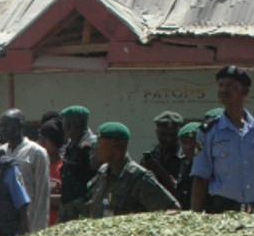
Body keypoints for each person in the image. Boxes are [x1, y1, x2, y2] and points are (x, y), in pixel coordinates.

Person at [191, 65, 254, 213]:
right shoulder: (208, 131)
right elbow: (201, 176)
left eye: (231, 86)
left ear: (244, 92)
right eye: (221, 86)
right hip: (223, 210)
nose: (224, 90)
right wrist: (195, 216)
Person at [85, 122, 180, 217]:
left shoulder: (137, 177)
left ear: (116, 146)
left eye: (99, 143)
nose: (96, 148)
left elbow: (172, 209)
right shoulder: (103, 172)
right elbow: (92, 204)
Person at [0, 109, 50, 234]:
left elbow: (42, 193)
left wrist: (38, 231)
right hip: (4, 223)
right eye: (1, 126)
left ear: (20, 125)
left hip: (28, 222)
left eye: (7, 125)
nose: (3, 129)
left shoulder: (36, 152)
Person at [58, 105, 97, 220]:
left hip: (83, 208)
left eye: (64, 123)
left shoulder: (90, 146)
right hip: (68, 207)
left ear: (72, 124)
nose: (63, 128)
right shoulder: (71, 145)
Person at [141, 111, 187, 204]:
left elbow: (182, 192)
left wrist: (160, 171)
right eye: (163, 135)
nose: (168, 139)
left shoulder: (186, 158)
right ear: (157, 132)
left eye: (172, 135)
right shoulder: (153, 156)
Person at [37, 119, 65, 227]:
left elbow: (65, 200)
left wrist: (44, 198)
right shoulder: (38, 165)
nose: (41, 144)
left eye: (45, 140)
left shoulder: (63, 167)